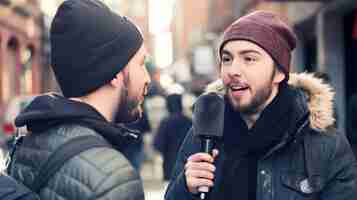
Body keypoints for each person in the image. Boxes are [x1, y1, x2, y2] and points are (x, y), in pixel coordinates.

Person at [165, 11, 357, 200]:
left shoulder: (326, 145)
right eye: (227, 59)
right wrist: (185, 189)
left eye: (249, 59)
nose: (233, 70)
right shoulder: (202, 135)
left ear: (280, 73)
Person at [9, 0, 150, 199]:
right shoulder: (113, 177)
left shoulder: (27, 145)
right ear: (115, 73)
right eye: (142, 63)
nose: (147, 78)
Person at [153, 94, 192, 181]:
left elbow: (158, 144)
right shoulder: (189, 122)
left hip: (169, 165)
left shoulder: (165, 122)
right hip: (187, 166)